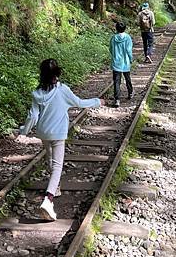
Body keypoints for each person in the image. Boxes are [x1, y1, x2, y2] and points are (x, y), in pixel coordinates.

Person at [19, 59, 104, 221]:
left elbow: (33, 116)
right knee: (58, 166)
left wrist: (24, 131)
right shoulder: (63, 90)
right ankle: (48, 200)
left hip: (43, 132)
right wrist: (97, 101)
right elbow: (79, 103)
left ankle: (55, 187)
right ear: (57, 73)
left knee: (49, 158)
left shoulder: (37, 93)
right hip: (58, 133)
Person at [109, 22, 134, 108]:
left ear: (116, 28)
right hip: (125, 62)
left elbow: (111, 49)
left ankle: (117, 100)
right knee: (127, 78)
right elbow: (129, 50)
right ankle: (130, 93)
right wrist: (131, 59)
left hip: (116, 63)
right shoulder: (127, 37)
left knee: (116, 82)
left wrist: (114, 56)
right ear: (125, 28)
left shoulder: (113, 38)